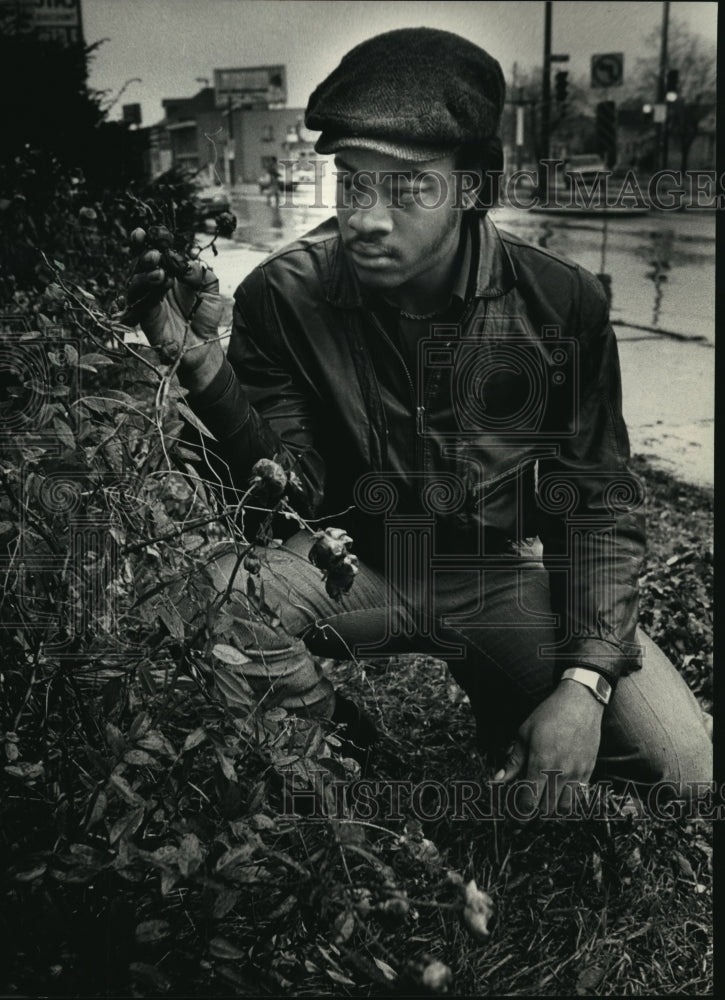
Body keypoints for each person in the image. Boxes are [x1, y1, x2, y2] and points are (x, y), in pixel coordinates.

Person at [125, 28, 711, 816]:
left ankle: (513, 705)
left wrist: (583, 682)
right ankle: (342, 751)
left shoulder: (559, 303)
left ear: (472, 188)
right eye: (352, 183)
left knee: (679, 767)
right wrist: (208, 376)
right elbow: (280, 494)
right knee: (215, 610)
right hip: (350, 559)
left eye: (404, 188)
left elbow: (597, 504)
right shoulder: (282, 296)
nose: (366, 217)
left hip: (494, 571)